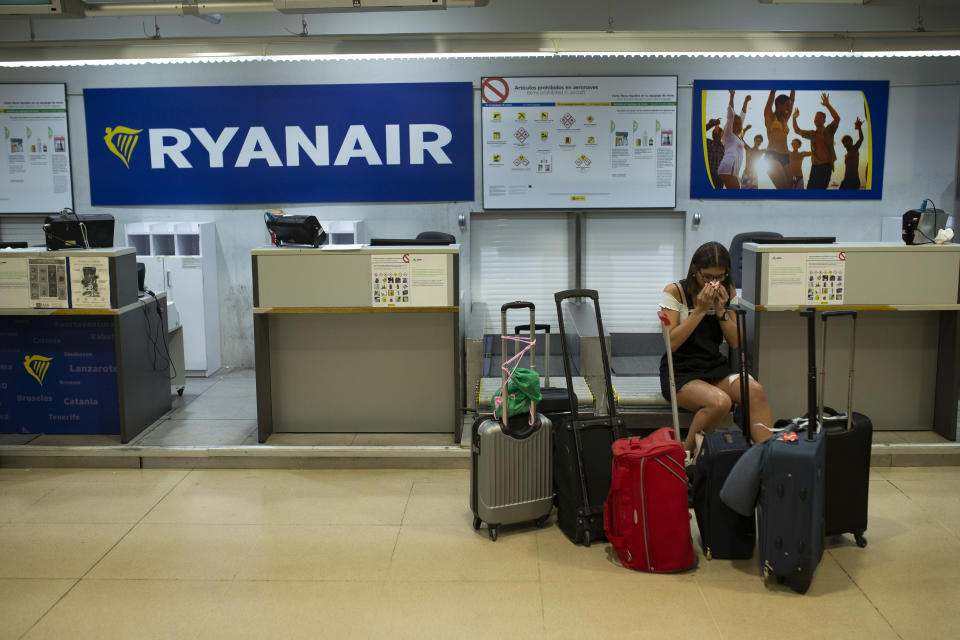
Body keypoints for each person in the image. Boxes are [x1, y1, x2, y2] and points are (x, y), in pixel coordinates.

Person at [659, 242, 775, 457]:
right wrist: (701, 310)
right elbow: (671, 342)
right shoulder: (675, 292)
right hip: (681, 370)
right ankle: (687, 458)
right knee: (720, 402)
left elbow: (735, 341)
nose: (713, 282)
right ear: (695, 270)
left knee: (755, 390)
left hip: (713, 366)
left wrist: (721, 310)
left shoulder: (727, 290)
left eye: (720, 276)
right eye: (707, 276)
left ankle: (767, 459)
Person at [792, 93, 840, 189]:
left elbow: (837, 119)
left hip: (826, 167)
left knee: (820, 193)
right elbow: (797, 130)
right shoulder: (812, 134)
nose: (817, 119)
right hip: (815, 167)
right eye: (815, 118)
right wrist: (794, 119)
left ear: (824, 121)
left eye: (819, 118)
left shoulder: (829, 130)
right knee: (810, 192)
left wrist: (827, 105)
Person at [718, 90, 752, 189]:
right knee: (737, 194)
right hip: (728, 168)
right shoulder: (728, 134)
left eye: (739, 124)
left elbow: (742, 115)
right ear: (730, 125)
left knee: (732, 196)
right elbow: (731, 115)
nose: (738, 125)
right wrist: (732, 96)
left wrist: (746, 102)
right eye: (735, 123)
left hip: (732, 171)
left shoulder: (737, 137)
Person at [763, 89, 796, 189]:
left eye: (789, 105)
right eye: (787, 105)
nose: (789, 108)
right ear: (779, 104)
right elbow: (769, 103)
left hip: (786, 157)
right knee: (783, 188)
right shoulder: (770, 117)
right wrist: (773, 90)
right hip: (772, 156)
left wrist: (793, 87)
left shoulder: (785, 118)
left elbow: (793, 100)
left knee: (790, 188)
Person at [839, 117, 865, 190]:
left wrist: (859, 127)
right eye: (844, 142)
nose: (846, 143)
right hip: (846, 180)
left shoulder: (854, 149)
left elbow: (861, 138)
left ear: (851, 142)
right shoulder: (846, 155)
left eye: (847, 141)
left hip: (854, 181)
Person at [704, 117, 724, 188]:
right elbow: (700, 133)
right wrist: (711, 124)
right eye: (716, 132)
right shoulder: (708, 143)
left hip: (719, 178)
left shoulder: (723, 147)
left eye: (720, 133)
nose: (717, 134)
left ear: (722, 135)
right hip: (709, 175)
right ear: (713, 134)